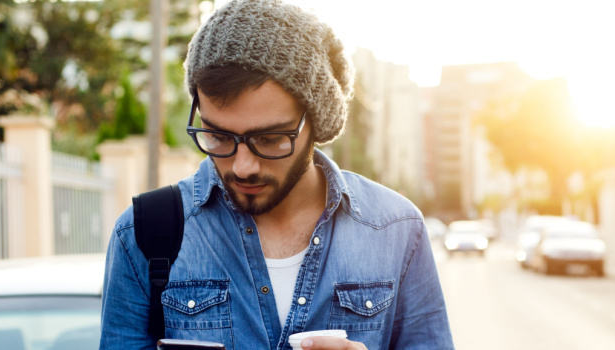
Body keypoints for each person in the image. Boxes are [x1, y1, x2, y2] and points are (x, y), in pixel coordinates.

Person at [99, 0, 454, 349]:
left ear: (316, 121)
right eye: (219, 136)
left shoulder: (397, 230)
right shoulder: (142, 235)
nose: (242, 166)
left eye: (269, 139)